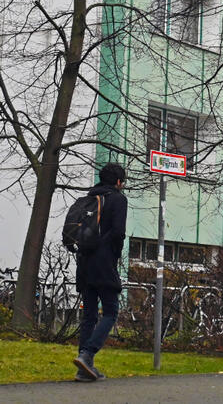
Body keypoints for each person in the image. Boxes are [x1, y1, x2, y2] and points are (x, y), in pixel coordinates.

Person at [73, 162, 128, 382]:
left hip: (84, 262)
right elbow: (118, 232)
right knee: (111, 311)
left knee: (89, 315)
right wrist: (113, 253)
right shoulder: (117, 199)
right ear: (117, 182)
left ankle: (83, 369)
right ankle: (87, 356)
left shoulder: (89, 199)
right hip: (104, 263)